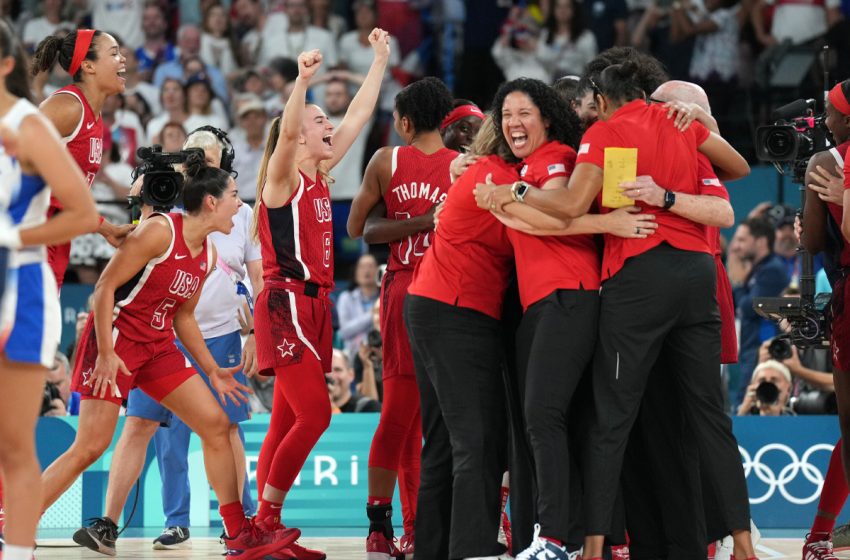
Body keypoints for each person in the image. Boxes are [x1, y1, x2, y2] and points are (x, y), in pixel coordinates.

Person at [478, 58, 754, 560]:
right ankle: (743, 545)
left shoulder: (606, 132)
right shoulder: (679, 122)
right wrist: (698, 122)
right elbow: (738, 167)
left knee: (611, 419)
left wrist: (515, 189)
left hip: (639, 278)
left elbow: (569, 206)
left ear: (601, 101)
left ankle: (594, 548)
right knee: (711, 419)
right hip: (697, 278)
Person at [40, 152, 299, 560]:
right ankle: (13, 524)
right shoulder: (159, 231)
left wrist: (212, 370)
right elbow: (104, 288)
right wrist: (106, 352)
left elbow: (184, 316)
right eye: (233, 195)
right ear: (211, 202)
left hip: (158, 345)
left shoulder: (209, 253)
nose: (239, 203)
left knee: (215, 425)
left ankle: (238, 533)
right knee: (90, 446)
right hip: (115, 338)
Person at [72, 127, 263, 554]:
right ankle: (121, 522)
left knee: (225, 427)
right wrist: (143, 193)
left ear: (223, 159)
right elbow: (119, 273)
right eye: (193, 156)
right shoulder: (169, 206)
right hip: (158, 334)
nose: (200, 162)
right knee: (141, 427)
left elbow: (257, 274)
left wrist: (254, 331)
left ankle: (242, 520)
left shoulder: (239, 210)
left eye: (207, 156)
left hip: (219, 331)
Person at [250, 30, 389, 560]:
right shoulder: (280, 181)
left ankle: (264, 538)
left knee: (285, 421)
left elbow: (358, 112)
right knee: (316, 416)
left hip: (317, 304)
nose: (328, 125)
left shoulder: (323, 174)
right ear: (297, 135)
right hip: (285, 302)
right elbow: (287, 135)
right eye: (318, 121)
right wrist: (301, 85)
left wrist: (379, 61)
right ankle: (265, 521)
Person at [0, 20, 99, 559]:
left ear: (5, 64)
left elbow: (79, 210)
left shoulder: (32, 122)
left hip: (22, 282)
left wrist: (12, 234)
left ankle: (18, 550)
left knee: (15, 443)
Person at [347, 76, 457, 558]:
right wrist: (426, 221)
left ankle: (383, 526)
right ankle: (413, 528)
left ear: (406, 122)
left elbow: (358, 228)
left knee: (401, 416)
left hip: (407, 289)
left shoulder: (386, 159)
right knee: (428, 420)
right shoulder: (464, 167)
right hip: (453, 296)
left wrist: (410, 223)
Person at [30, 29, 137, 290]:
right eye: (114, 53)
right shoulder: (68, 107)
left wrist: (107, 228)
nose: (123, 59)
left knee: (42, 326)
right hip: (33, 231)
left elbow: (70, 195)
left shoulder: (94, 115)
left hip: (56, 233)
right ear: (88, 66)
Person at [799, 78, 850, 560]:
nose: (825, 121)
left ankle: (817, 536)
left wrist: (816, 215)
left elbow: (812, 243)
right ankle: (819, 533)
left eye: (831, 113)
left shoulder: (825, 162)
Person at [730, 216, 790, 406]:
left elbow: (749, 308)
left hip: (762, 353)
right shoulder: (757, 269)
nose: (736, 246)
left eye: (742, 240)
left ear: (761, 241)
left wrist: (739, 283)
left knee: (748, 405)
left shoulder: (772, 270)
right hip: (751, 351)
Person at [336, 254, 380, 360]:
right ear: (355, 272)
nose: (367, 271)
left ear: (379, 271)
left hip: (381, 355)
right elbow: (344, 332)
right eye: (362, 266)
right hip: (353, 356)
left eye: (370, 266)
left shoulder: (385, 297)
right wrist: (371, 315)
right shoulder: (346, 298)